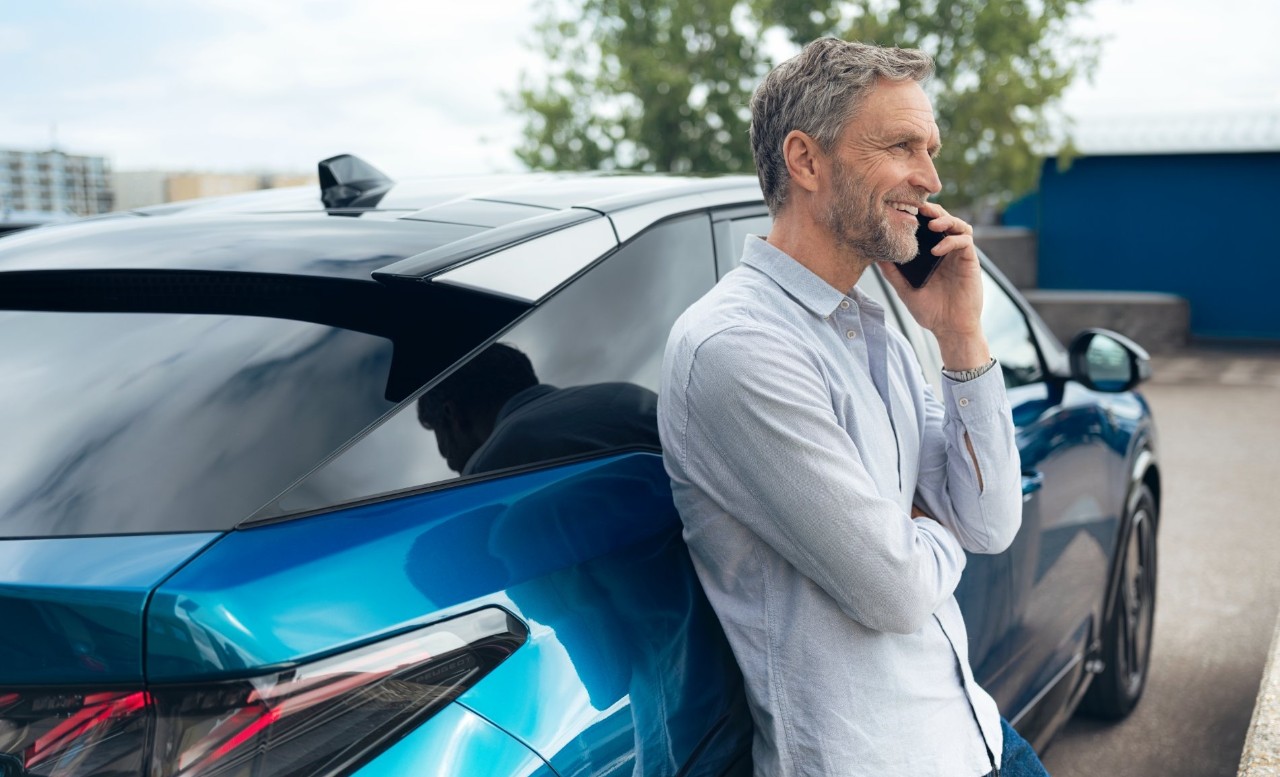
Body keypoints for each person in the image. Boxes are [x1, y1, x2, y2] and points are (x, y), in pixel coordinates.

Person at [657, 38, 1048, 776]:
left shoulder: (879, 334)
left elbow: (991, 521)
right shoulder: (735, 345)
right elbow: (896, 591)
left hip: (977, 734)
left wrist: (960, 333)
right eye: (902, 146)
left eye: (929, 149)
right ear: (806, 161)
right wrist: (923, 525)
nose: (930, 180)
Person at [417, 342, 659, 476]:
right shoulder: (628, 396)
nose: (446, 458)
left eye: (438, 434)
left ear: (453, 416)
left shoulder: (489, 471)